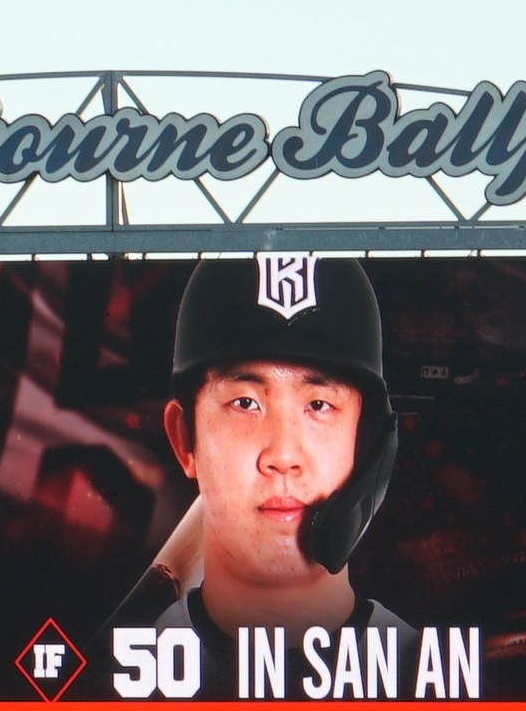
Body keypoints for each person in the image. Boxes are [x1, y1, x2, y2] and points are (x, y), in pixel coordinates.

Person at [107, 253, 411, 665]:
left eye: (319, 405)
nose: (283, 456)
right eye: (245, 402)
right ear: (184, 440)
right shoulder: (111, 692)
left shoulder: (436, 686)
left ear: (369, 441)